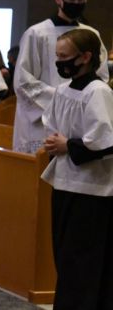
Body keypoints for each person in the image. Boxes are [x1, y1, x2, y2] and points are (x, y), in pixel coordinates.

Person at [41, 29, 113, 309]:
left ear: (85, 57)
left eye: (64, 57)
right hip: (64, 183)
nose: (59, 63)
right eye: (57, 56)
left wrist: (68, 146)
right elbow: (52, 124)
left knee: (84, 262)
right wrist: (54, 142)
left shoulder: (99, 92)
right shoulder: (61, 90)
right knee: (65, 258)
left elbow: (105, 140)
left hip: (92, 191)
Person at [13, 0, 109, 153]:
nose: (78, 3)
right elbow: (23, 82)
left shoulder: (91, 34)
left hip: (79, 119)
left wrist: (76, 102)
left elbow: (101, 76)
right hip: (41, 123)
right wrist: (63, 99)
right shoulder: (37, 33)